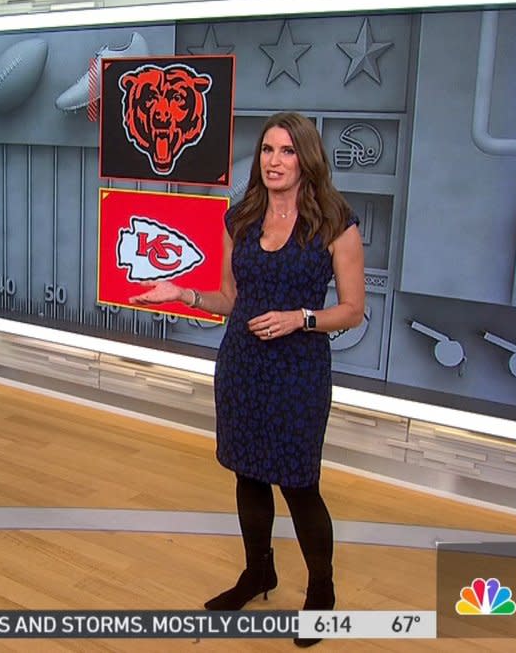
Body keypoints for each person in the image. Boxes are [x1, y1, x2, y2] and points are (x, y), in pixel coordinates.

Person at [132, 111, 364, 647]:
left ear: (306, 159)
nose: (274, 161)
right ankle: (259, 572)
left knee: (301, 485)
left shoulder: (335, 223)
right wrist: (184, 294)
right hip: (242, 365)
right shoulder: (241, 219)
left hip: (299, 371)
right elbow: (230, 299)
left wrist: (299, 318)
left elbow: (352, 310)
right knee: (247, 475)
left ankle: (321, 592)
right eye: (266, 150)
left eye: (285, 151)